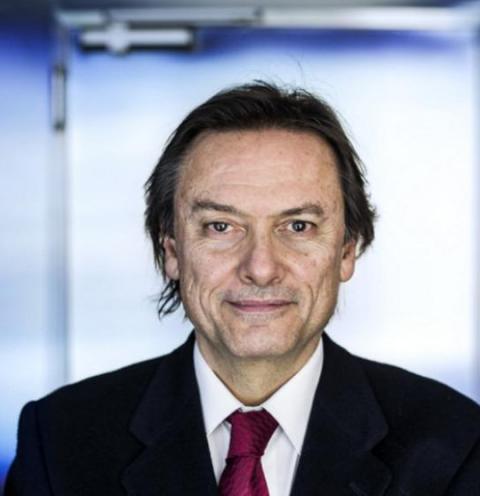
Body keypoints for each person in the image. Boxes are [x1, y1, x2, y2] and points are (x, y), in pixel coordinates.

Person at [5, 82, 480, 496]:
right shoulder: (60, 440)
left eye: (298, 225)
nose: (261, 268)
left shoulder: (457, 443)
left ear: (346, 251)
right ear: (172, 251)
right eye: (220, 226)